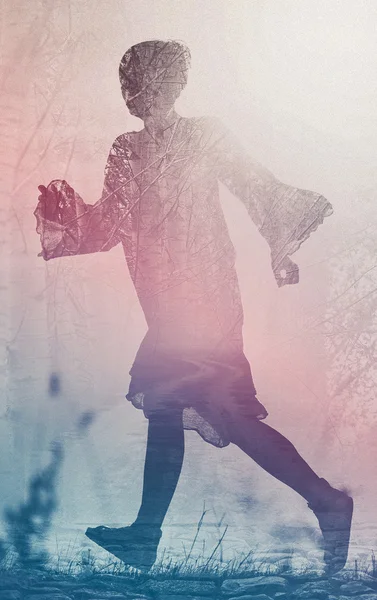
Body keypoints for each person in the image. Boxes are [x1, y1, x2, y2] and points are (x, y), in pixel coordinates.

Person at [34, 39, 353, 574]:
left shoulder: (206, 135)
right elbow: (111, 224)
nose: (138, 91)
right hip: (167, 302)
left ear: (175, 85)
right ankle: (324, 501)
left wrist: (281, 251)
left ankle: (148, 533)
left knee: (172, 399)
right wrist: (67, 216)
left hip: (205, 299)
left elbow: (260, 190)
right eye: (131, 81)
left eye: (149, 79)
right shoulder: (124, 150)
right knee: (219, 411)